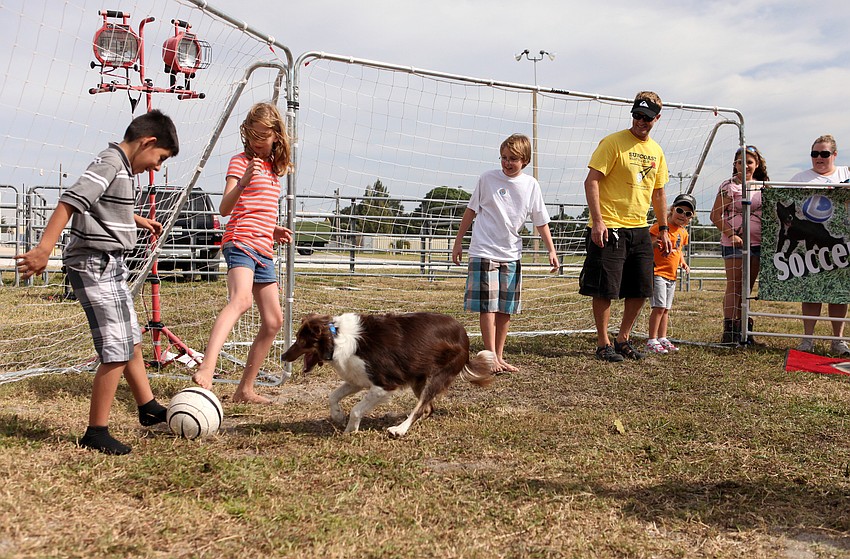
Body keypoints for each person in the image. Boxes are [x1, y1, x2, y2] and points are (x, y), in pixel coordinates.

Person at [15, 110, 178, 455]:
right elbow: (72, 200)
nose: (157, 167)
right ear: (148, 142)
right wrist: (45, 249)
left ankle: (148, 408)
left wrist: (134, 219)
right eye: (159, 159)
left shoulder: (119, 167)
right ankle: (96, 431)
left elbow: (98, 206)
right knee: (116, 348)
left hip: (111, 264)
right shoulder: (110, 162)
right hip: (92, 264)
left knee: (131, 337)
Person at [192, 102, 294, 401]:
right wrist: (244, 181)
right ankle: (207, 367)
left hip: (263, 247)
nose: (256, 142)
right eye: (252, 135)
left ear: (276, 136)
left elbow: (258, 209)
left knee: (274, 321)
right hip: (240, 242)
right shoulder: (240, 162)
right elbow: (226, 208)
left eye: (262, 136)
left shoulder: (274, 170)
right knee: (241, 300)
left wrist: (272, 230)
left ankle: (245, 389)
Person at [452, 133, 559, 373]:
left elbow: (540, 221)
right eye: (503, 158)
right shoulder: (487, 179)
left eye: (512, 159)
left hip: (511, 253)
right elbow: (471, 211)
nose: (507, 163)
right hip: (483, 250)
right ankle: (489, 356)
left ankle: (499, 356)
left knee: (505, 308)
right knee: (487, 307)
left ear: (525, 161)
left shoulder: (531, 185)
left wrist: (551, 250)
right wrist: (459, 242)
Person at [579, 91, 671, 362]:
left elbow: (659, 193)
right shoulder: (613, 142)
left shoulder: (656, 151)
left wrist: (663, 228)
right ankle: (603, 342)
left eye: (648, 117)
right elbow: (591, 181)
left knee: (641, 288)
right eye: (637, 116)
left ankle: (623, 339)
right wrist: (598, 221)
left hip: (640, 228)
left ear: (657, 118)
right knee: (605, 288)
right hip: (610, 225)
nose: (642, 121)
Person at [789, 134, 850, 356]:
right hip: (811, 245)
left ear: (834, 155)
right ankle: (808, 339)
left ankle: (838, 341)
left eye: (824, 154)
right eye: (815, 154)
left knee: (838, 292)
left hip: (841, 244)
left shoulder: (846, 173)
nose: (819, 158)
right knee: (811, 291)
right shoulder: (799, 177)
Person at [709, 145, 767, 345]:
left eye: (749, 162)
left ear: (757, 164)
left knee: (747, 288)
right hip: (734, 242)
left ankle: (745, 331)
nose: (745, 166)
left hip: (757, 243)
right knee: (734, 286)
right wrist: (731, 234)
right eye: (741, 162)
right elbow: (715, 215)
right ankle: (730, 331)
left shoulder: (763, 186)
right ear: (735, 165)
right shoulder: (729, 186)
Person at [646, 193, 693, 354]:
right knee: (658, 307)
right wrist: (655, 244)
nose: (683, 215)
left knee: (666, 309)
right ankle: (652, 339)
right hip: (657, 272)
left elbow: (679, 251)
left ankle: (662, 337)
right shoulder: (660, 226)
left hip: (671, 275)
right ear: (672, 210)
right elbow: (648, 241)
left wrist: (683, 262)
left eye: (688, 214)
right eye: (680, 210)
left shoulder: (683, 233)